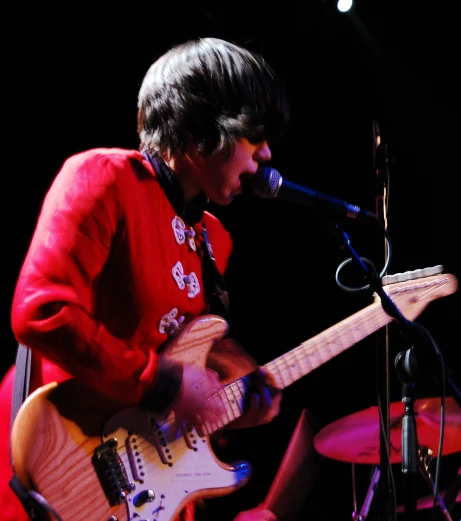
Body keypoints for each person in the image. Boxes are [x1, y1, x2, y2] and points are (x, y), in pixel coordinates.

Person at [0, 37, 292, 521]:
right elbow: (42, 312)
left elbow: (169, 387)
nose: (266, 156)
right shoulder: (104, 177)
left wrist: (228, 412)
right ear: (202, 125)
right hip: (57, 462)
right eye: (255, 134)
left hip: (142, 492)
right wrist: (166, 381)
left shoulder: (214, 239)